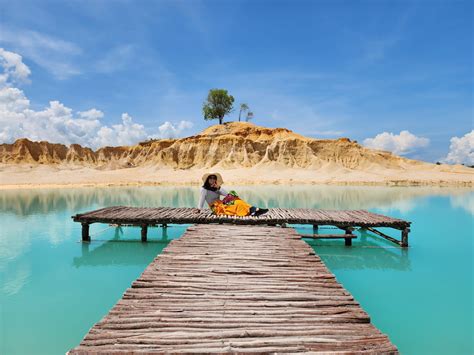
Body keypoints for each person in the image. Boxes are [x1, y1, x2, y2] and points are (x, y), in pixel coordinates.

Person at [197, 172, 268, 217]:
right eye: (210, 178)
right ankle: (254, 210)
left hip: (221, 203)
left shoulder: (216, 188)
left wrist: (219, 187)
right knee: (237, 204)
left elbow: (227, 194)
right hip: (216, 208)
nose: (212, 180)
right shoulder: (204, 189)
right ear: (207, 180)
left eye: (214, 178)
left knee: (236, 199)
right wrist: (199, 209)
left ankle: (253, 209)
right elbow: (201, 199)